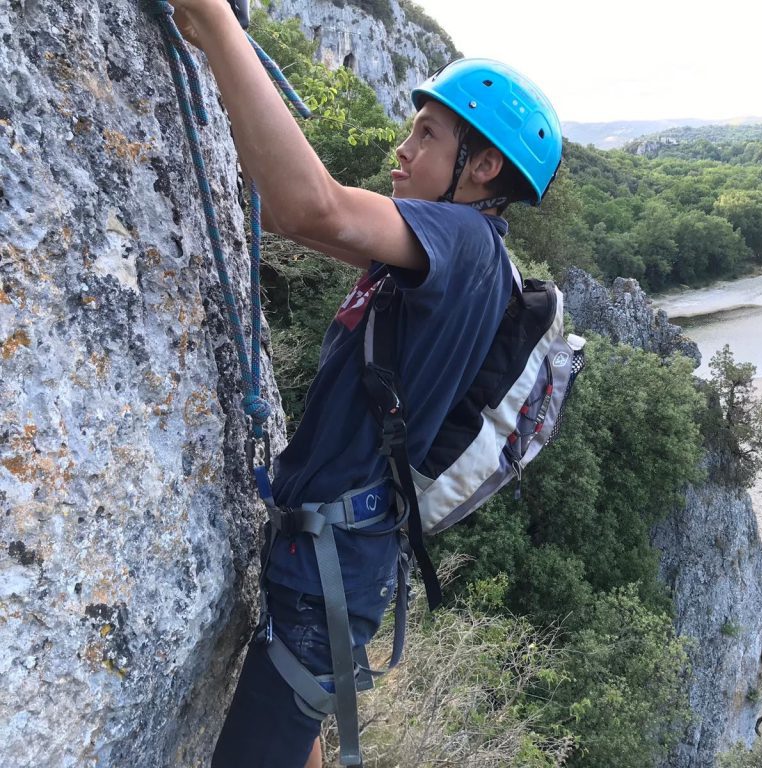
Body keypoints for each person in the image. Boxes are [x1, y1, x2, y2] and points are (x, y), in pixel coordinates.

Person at [165, 2, 562, 767]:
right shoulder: (445, 252)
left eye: (429, 134)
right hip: (333, 555)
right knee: (298, 728)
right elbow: (295, 220)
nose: (402, 148)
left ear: (482, 168)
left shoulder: (464, 240)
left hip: (328, 572)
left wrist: (215, 20)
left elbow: (311, 204)